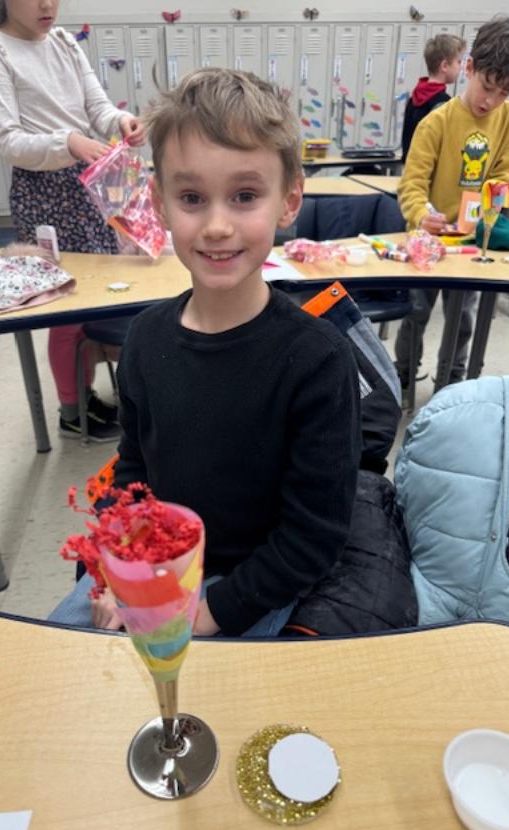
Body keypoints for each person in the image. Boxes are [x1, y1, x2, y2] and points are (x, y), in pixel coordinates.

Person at [49, 68, 362, 637]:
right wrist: (114, 568)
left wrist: (212, 612)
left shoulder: (318, 361)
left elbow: (313, 535)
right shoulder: (145, 340)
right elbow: (133, 472)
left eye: (245, 196)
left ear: (289, 200)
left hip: (252, 583)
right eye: (192, 198)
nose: (217, 226)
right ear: (159, 204)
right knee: (59, 654)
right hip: (150, 564)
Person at [0, 0, 146, 442]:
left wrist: (121, 121)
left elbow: (98, 108)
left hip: (89, 182)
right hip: (46, 194)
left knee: (96, 296)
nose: (48, 5)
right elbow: (9, 142)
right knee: (66, 308)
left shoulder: (65, 42)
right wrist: (67, 142)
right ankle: (72, 411)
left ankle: (85, 395)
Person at [394, 17, 509, 389]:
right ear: (470, 68)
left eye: (503, 93)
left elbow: (508, 172)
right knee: (416, 312)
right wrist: (421, 214)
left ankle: (453, 380)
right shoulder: (436, 122)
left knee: (463, 318)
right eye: (487, 87)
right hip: (428, 241)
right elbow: (412, 184)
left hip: (472, 241)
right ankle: (403, 372)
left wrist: (492, 195)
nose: (490, 101)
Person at [401, 33, 466, 163]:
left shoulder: (414, 98)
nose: (461, 67)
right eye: (458, 62)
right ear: (444, 66)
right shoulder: (444, 103)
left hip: (411, 166)